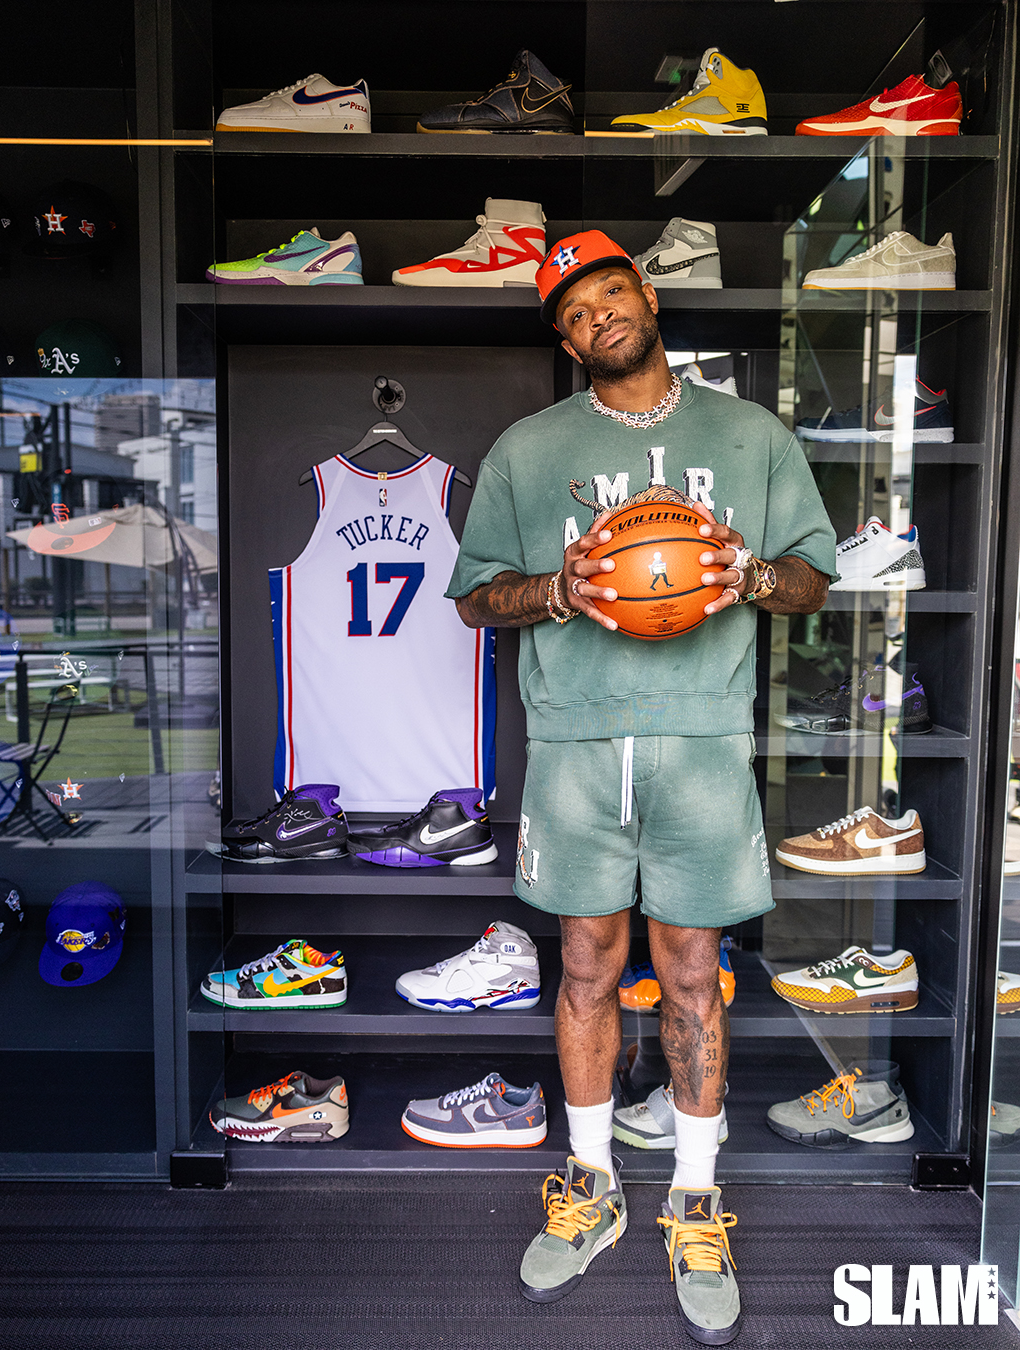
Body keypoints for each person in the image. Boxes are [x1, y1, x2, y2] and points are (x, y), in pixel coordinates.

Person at [446, 230, 836, 1344]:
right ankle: (591, 1186)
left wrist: (750, 573)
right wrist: (559, 590)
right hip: (575, 744)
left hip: (703, 743)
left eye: (608, 295)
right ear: (561, 338)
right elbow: (475, 598)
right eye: (570, 313)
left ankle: (695, 1199)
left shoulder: (750, 435)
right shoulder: (530, 448)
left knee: (693, 975)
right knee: (583, 965)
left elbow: (814, 573)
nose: (594, 320)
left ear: (647, 297)